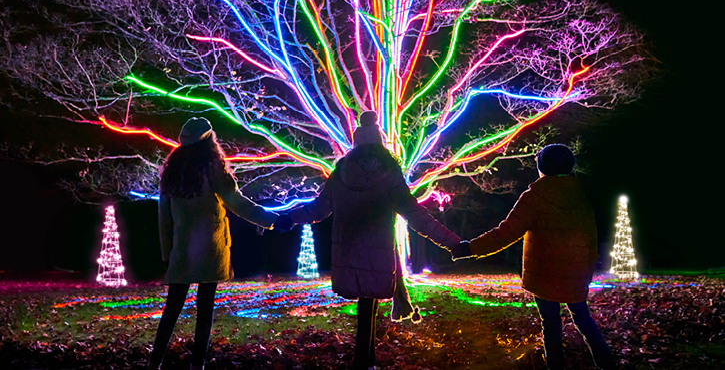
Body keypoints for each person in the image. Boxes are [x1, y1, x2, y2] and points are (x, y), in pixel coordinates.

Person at [274, 111, 460, 370]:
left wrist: (288, 218)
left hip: (348, 249)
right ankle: (365, 359)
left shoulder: (341, 173)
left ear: (356, 143)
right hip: (378, 250)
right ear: (380, 144)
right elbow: (416, 214)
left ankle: (365, 358)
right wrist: (452, 242)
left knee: (365, 304)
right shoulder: (390, 174)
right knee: (368, 303)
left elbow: (318, 208)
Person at [452, 144, 615, 370]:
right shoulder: (580, 194)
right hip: (575, 272)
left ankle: (555, 366)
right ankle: (606, 363)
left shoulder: (535, 196)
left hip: (545, 273)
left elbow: (506, 232)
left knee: (551, 324)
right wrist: (587, 267)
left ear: (541, 168)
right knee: (583, 319)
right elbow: (590, 235)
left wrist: (470, 248)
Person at [148, 117, 280, 370]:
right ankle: (198, 363)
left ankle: (155, 362)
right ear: (209, 139)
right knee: (205, 308)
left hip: (183, 249)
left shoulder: (173, 168)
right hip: (210, 247)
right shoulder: (213, 167)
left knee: (172, 307)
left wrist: (168, 251)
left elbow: (163, 214)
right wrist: (271, 220)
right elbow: (237, 202)